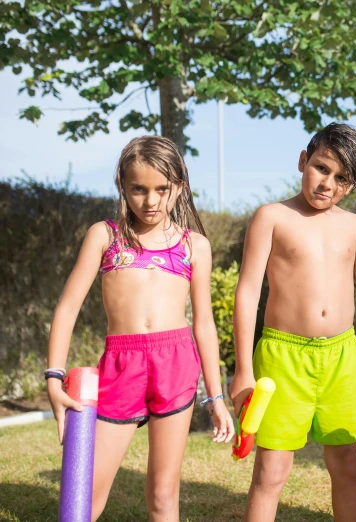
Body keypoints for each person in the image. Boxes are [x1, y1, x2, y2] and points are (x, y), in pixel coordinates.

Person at [46, 136, 233, 521]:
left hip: (176, 361)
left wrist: (216, 397)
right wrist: (53, 376)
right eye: (139, 189)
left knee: (164, 495)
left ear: (179, 186)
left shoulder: (194, 245)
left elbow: (204, 326)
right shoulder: (105, 236)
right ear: (123, 186)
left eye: (162, 189)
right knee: (82, 494)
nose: (151, 201)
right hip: (121, 365)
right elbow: (67, 309)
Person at [229, 123, 356, 522]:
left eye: (342, 178)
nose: (328, 183)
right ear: (303, 161)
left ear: (352, 185)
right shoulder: (272, 217)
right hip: (282, 358)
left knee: (349, 465)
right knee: (271, 470)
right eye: (321, 168)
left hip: (343, 358)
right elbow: (247, 294)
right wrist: (243, 369)